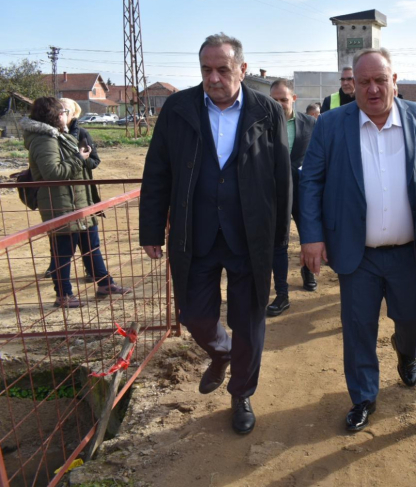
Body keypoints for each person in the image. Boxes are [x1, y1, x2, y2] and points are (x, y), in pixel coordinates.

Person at [139, 33, 291, 435]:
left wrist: (279, 238)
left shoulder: (266, 111)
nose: (214, 78)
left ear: (242, 68)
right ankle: (222, 353)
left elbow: (281, 176)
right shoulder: (178, 109)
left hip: (249, 236)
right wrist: (151, 228)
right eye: (206, 69)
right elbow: (157, 172)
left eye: (223, 69)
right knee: (194, 315)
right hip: (195, 234)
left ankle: (241, 394)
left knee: (250, 321)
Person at [300, 48, 416, 432]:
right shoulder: (331, 124)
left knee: (412, 319)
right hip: (357, 252)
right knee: (358, 327)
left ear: (395, 81)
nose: (373, 89)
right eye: (364, 82)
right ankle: (363, 397)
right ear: (352, 86)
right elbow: (311, 182)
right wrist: (312, 236)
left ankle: (406, 353)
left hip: (410, 253)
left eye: (380, 80)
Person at [22, 97, 130, 308]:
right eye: (63, 111)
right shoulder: (44, 140)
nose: (66, 115)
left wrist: (82, 158)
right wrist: (79, 158)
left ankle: (105, 284)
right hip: (61, 205)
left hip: (79, 202)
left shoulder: (58, 136)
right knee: (63, 252)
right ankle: (63, 295)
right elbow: (53, 173)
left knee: (91, 246)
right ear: (55, 115)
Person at [267, 78, 317, 317]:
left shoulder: (311, 124)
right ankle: (282, 294)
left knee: (308, 234)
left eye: (283, 99)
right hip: (274, 192)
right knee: (279, 242)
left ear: (294, 99)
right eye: (274, 100)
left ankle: (308, 271)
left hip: (302, 191)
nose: (278, 104)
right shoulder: (262, 124)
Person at [44, 98, 102, 280]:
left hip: (81, 192)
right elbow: (50, 168)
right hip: (60, 195)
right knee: (61, 235)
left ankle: (94, 273)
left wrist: (82, 159)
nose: (60, 112)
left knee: (86, 237)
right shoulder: (49, 135)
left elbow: (94, 161)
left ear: (73, 114)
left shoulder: (82, 133)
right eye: (58, 108)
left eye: (65, 110)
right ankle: (56, 268)